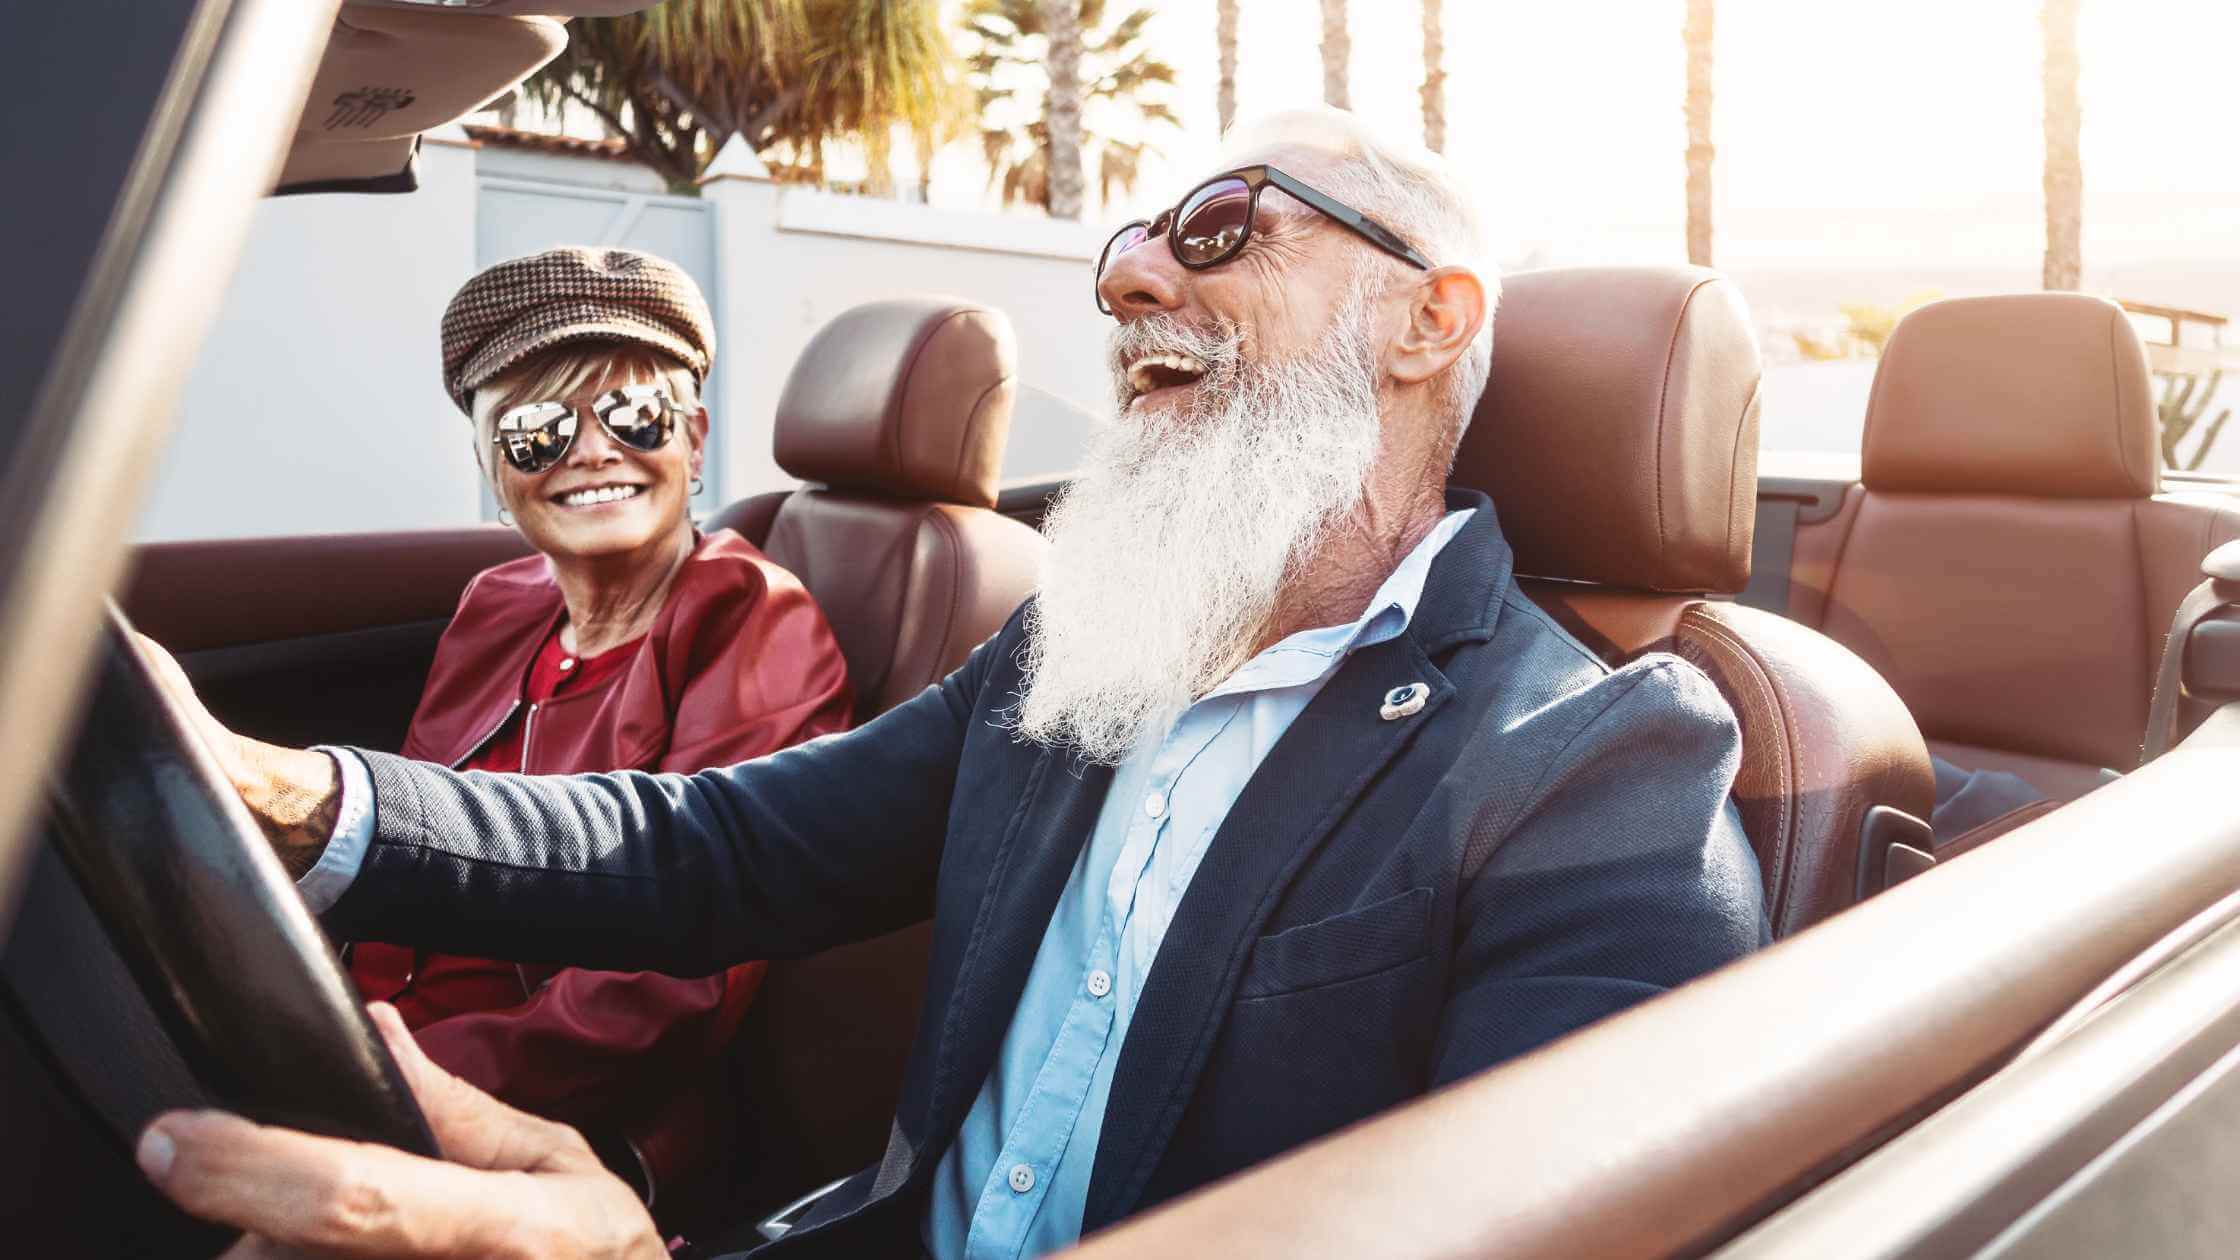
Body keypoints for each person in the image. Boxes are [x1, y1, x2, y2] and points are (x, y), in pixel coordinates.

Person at [135, 110, 1767, 1259]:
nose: (1131, 283)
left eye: (1219, 229)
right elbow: (718, 851)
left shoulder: (1598, 761)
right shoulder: (1083, 656)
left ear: (1429, 321)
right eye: (1125, 247)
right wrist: (295, 792)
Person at [337, 246, 854, 1212]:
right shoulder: (498, 603)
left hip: (550, 1126)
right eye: (534, 429)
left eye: (634, 414)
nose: (590, 451)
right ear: (495, 471)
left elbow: (670, 981)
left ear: (694, 442)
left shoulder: (751, 621)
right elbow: (411, 846)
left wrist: (386, 1088)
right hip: (368, 1044)